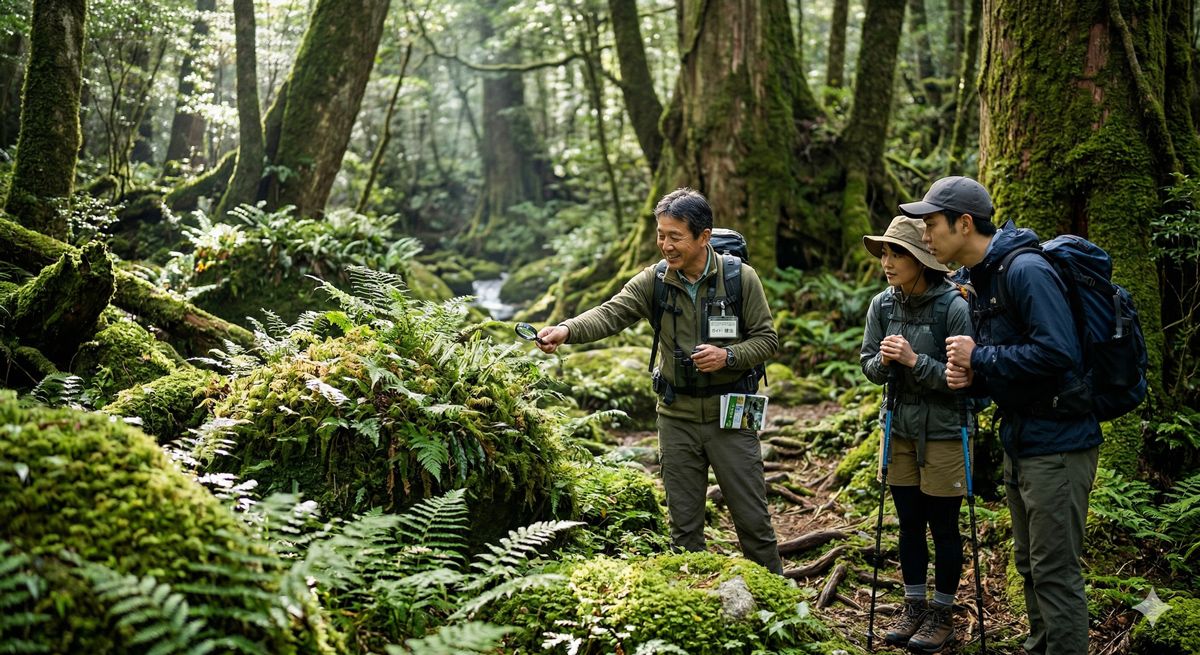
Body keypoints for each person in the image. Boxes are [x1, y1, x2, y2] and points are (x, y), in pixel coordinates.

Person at [533, 188, 783, 575]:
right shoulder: (655, 281)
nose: (665, 245)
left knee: (753, 520)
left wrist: (728, 356)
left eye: (675, 236)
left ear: (704, 236)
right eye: (661, 235)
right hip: (676, 414)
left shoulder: (740, 279)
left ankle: (777, 605)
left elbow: (768, 340)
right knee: (683, 527)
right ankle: (691, 601)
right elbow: (611, 313)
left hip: (733, 411)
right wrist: (565, 330)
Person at [902, 176, 1100, 655]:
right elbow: (1012, 359)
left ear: (964, 223)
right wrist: (975, 379)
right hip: (1023, 437)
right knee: (1030, 564)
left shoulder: (1025, 270)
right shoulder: (981, 279)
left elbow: (1059, 354)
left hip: (1059, 442)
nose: (924, 237)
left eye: (931, 224)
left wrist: (980, 360)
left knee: (1055, 571)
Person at [859, 216, 974, 653]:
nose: (887, 262)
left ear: (921, 260)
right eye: (885, 253)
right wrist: (885, 364)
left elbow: (962, 379)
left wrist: (912, 362)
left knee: (943, 526)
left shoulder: (953, 306)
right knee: (908, 524)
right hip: (899, 428)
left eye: (897, 253)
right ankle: (913, 606)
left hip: (945, 430)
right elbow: (868, 364)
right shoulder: (882, 305)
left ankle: (942, 614)